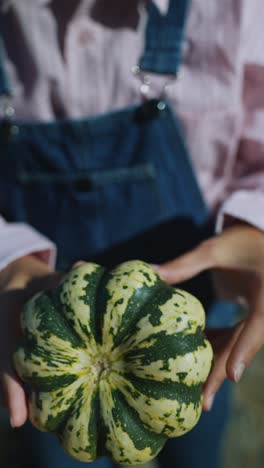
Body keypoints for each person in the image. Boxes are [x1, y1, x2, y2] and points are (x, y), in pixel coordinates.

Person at [0, 0, 264, 467]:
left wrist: (258, 231)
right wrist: (6, 258)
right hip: (30, 313)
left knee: (199, 440)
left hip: (197, 311)